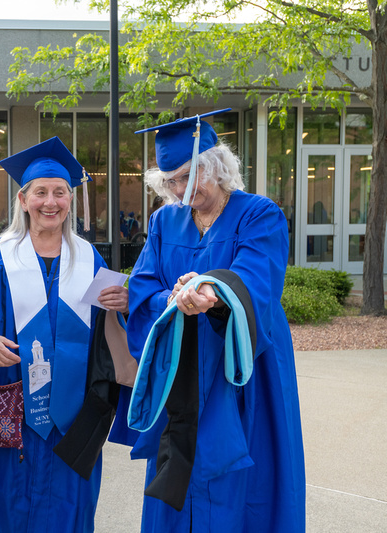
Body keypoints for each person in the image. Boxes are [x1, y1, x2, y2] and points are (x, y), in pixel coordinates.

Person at [119, 110, 305, 531]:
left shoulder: (259, 214)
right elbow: (146, 285)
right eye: (172, 181)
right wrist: (170, 297)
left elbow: (257, 281)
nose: (183, 190)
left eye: (191, 175)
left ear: (218, 166)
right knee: (180, 483)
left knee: (242, 481)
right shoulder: (164, 220)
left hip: (240, 371)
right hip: (181, 372)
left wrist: (213, 293)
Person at [0, 137, 129, 532]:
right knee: (6, 498)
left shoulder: (89, 258)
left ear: (70, 201)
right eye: (40, 192)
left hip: (72, 408)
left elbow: (106, 332)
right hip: (9, 401)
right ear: (23, 200)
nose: (50, 202)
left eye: (60, 192)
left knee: (69, 502)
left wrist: (122, 304)